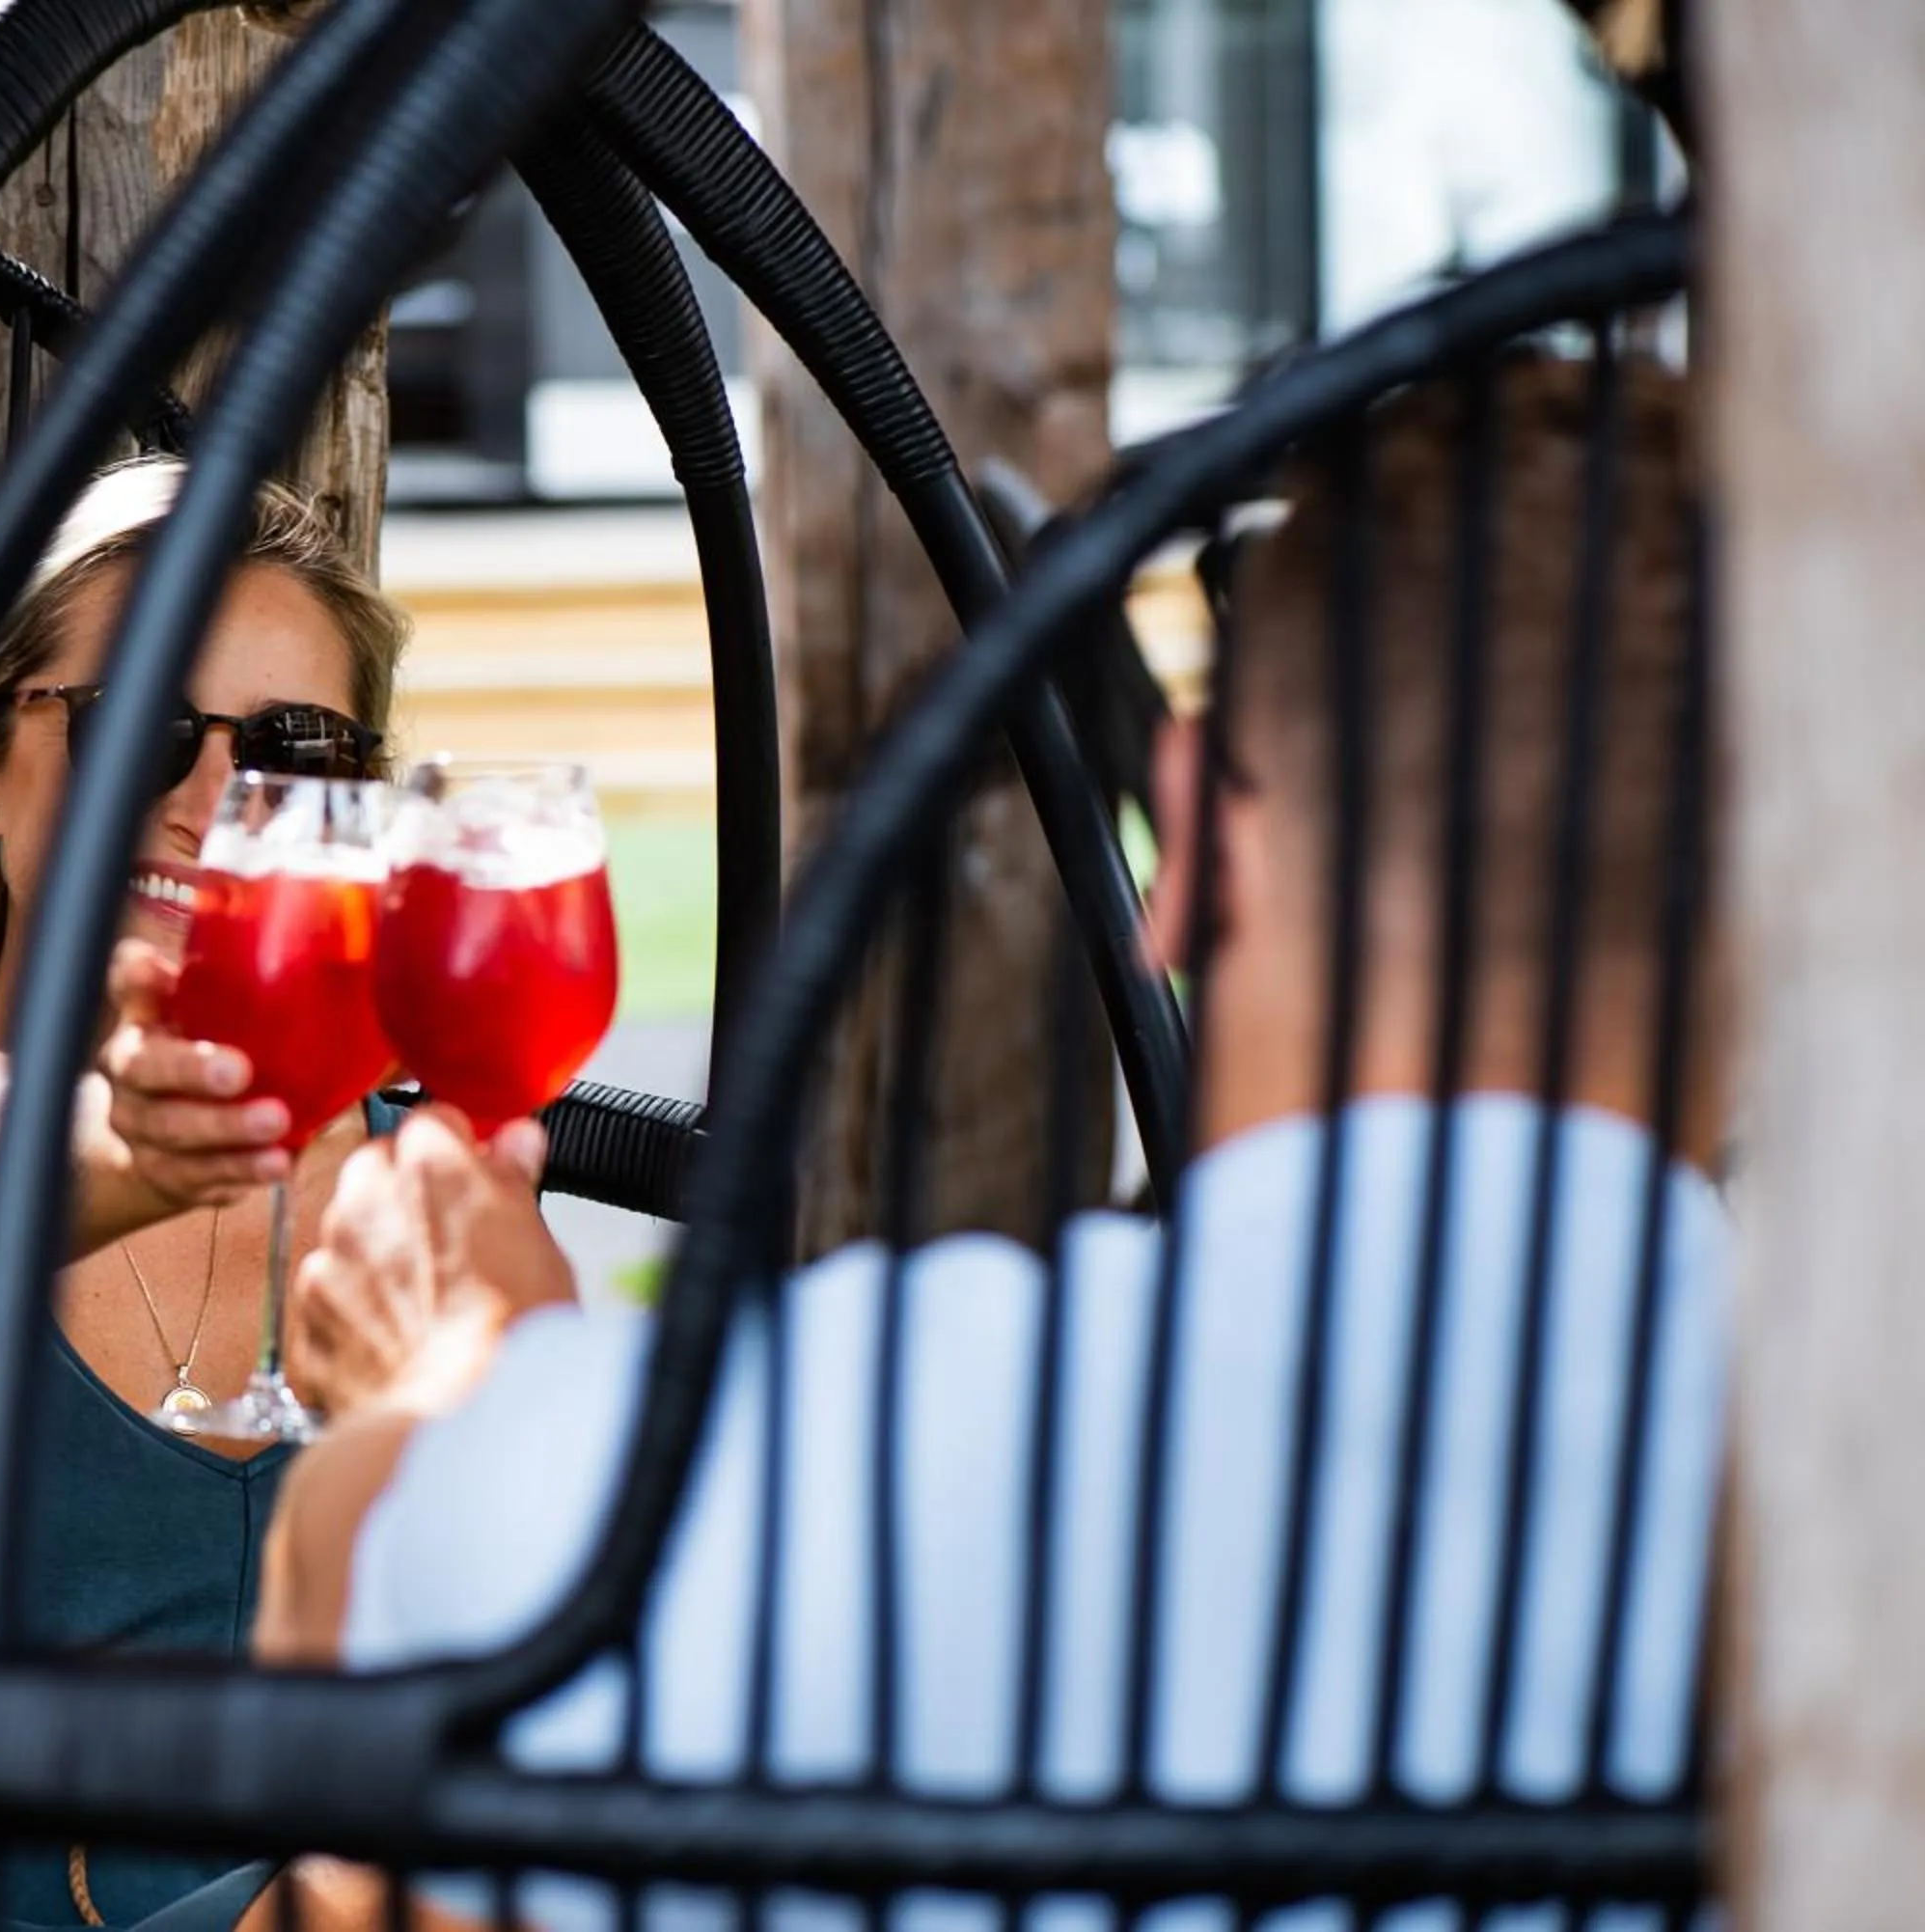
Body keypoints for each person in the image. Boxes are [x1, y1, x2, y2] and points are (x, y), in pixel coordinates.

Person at [252, 354, 1726, 1927]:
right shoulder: (1820, 1479)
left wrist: (447, 1382)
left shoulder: (888, 1464)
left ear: (1197, 853)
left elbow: (365, 1612)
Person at [0, 455, 427, 1932]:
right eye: (140, 728)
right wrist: (113, 1144)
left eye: (299, 749)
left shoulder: (409, 1175)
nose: (216, 801)